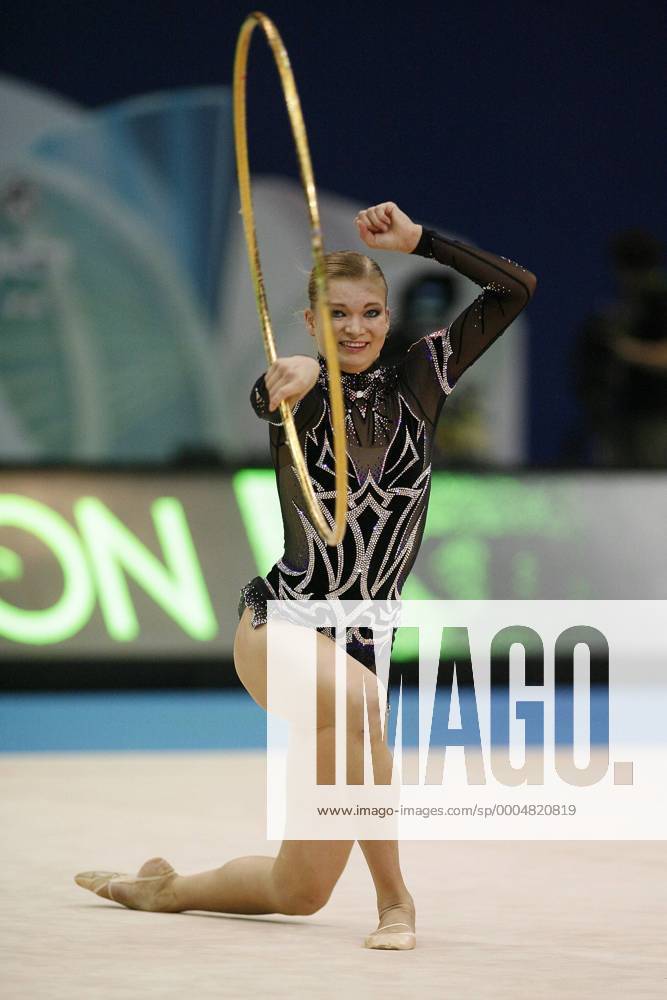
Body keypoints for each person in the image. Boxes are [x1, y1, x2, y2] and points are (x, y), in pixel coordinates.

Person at [75, 202, 537, 950]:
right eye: (337, 314)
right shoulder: (299, 388)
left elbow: (515, 289)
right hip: (281, 627)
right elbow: (271, 394)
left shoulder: (422, 379)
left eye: (371, 313)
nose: (356, 328)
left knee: (300, 891)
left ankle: (165, 891)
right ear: (308, 317)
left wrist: (421, 242)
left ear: (390, 318)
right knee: (360, 707)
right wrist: (297, 372)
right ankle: (397, 903)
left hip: (364, 641)